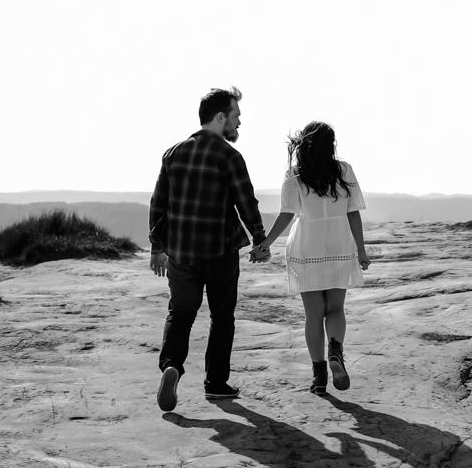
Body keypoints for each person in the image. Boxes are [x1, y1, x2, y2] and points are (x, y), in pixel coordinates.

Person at [149, 86, 272, 412]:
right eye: (236, 117)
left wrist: (155, 248)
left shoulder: (173, 153)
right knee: (222, 319)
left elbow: (158, 204)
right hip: (219, 254)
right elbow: (246, 202)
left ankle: (172, 367)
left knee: (180, 314)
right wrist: (260, 240)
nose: (238, 124)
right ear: (220, 117)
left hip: (180, 255)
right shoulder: (229, 156)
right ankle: (215, 384)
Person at [259, 121, 371, 395]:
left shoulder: (295, 174)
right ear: (331, 145)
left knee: (313, 314)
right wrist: (362, 249)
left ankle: (319, 376)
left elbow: (286, 213)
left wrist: (265, 244)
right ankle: (335, 350)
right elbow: (353, 212)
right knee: (335, 308)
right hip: (339, 243)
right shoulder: (343, 170)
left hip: (307, 245)